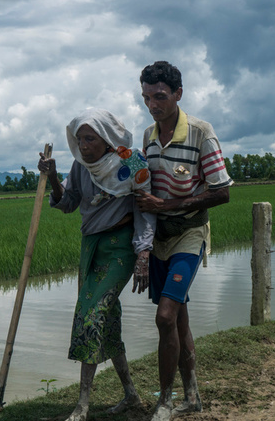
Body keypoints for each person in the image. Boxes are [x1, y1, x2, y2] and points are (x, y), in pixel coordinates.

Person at [37, 108, 156, 421]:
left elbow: (145, 209)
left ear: (107, 139)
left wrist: (144, 253)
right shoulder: (80, 167)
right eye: (80, 139)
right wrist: (52, 178)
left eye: (90, 138)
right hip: (91, 248)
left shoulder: (133, 162)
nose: (84, 144)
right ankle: (130, 393)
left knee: (90, 317)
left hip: (120, 248)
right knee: (108, 319)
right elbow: (68, 202)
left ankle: (83, 405)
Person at [134, 61, 232, 421]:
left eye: (159, 96)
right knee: (179, 321)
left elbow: (221, 192)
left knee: (164, 317)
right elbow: (142, 184)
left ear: (178, 94)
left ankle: (165, 401)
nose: (152, 105)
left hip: (190, 233)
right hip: (159, 237)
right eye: (146, 97)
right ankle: (192, 396)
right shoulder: (147, 136)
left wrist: (169, 204)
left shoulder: (200, 133)